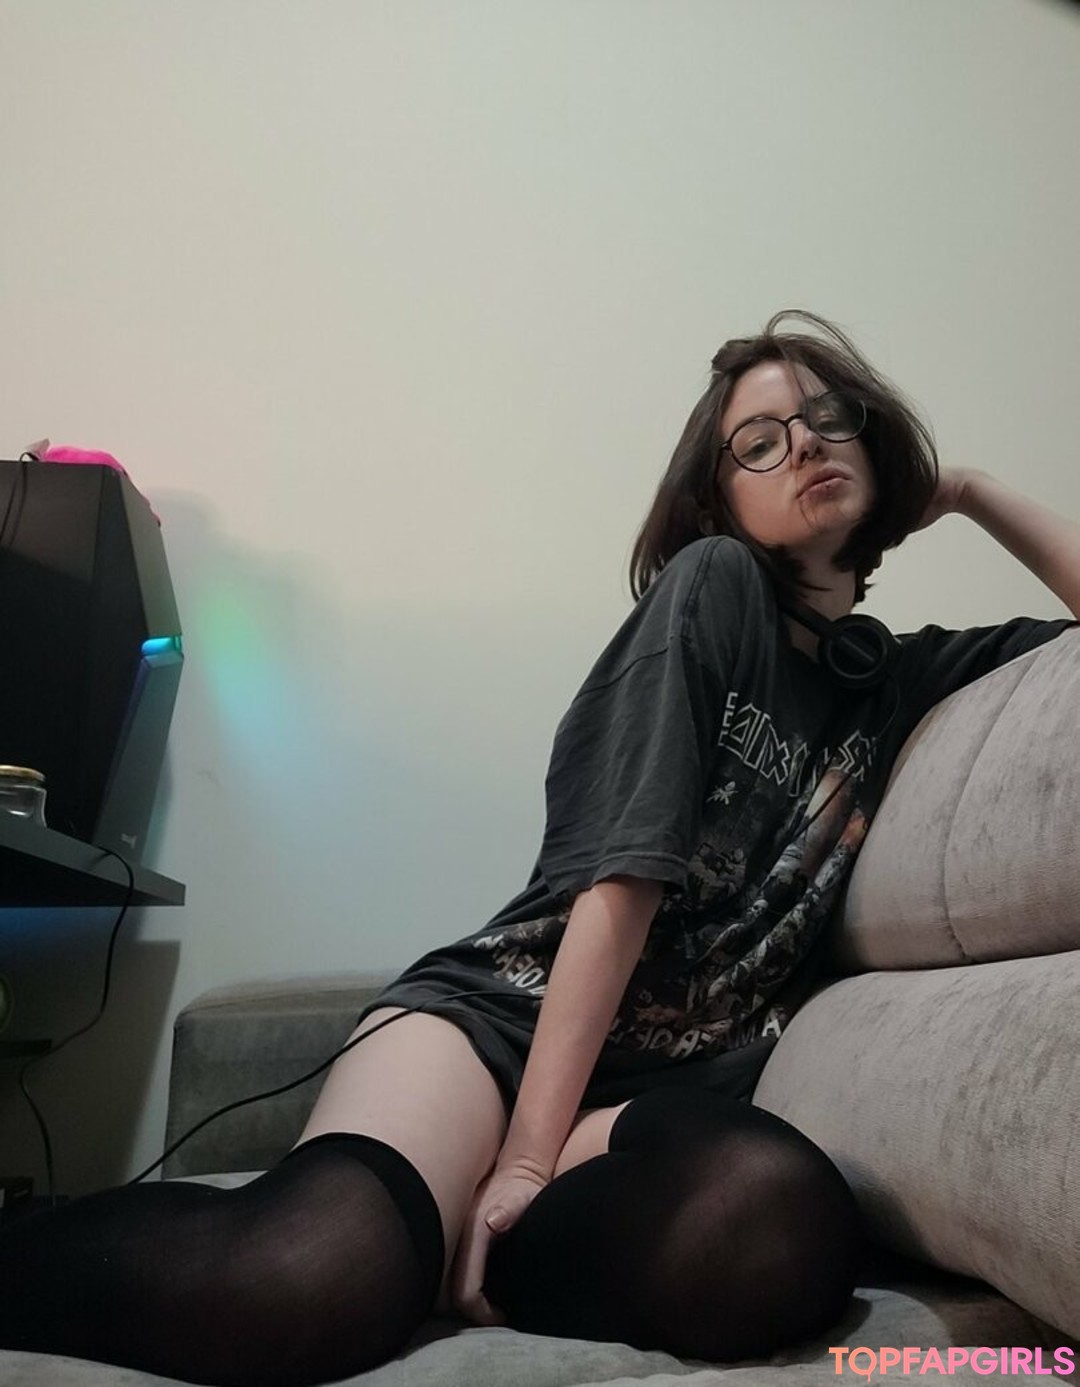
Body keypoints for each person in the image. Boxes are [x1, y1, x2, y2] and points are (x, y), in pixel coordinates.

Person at [2, 311, 1078, 1387]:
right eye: (760, 440)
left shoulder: (896, 683)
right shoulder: (714, 585)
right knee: (302, 1277)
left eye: (828, 417)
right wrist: (521, 1156)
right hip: (498, 1029)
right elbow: (625, 876)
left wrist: (969, 490)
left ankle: (467, 1258)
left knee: (774, 1218)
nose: (804, 444)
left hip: (657, 1093)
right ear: (719, 499)